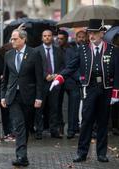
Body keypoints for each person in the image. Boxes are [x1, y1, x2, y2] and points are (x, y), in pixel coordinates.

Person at [51, 19, 119, 163]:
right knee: (86, 121)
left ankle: (101, 153)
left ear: (102, 33)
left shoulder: (113, 49)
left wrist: (116, 92)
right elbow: (71, 66)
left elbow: (118, 72)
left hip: (106, 89)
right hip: (89, 88)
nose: (91, 36)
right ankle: (82, 153)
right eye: (90, 33)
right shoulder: (82, 49)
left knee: (103, 122)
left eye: (94, 33)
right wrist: (60, 77)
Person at [1, 29, 43, 167]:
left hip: (29, 96)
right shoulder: (8, 55)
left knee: (26, 125)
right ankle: (21, 156)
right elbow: (5, 78)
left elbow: (39, 78)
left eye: (15, 39)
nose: (12, 41)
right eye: (12, 39)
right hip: (13, 96)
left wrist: (39, 97)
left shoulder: (34, 53)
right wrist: (3, 96)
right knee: (18, 126)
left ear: (23, 39)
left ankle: (22, 155)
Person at [34, 30, 64, 139]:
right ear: (42, 38)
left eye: (49, 36)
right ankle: (39, 131)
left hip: (55, 83)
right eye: (45, 36)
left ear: (52, 37)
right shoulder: (36, 51)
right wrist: (45, 75)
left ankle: (54, 130)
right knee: (39, 108)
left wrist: (57, 75)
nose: (47, 38)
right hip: (41, 83)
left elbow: (62, 66)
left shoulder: (58, 51)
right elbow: (35, 67)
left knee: (54, 108)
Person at [65, 30, 87, 139]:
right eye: (79, 37)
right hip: (73, 82)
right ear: (76, 38)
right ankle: (71, 130)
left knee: (87, 106)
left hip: (87, 82)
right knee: (73, 106)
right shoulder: (70, 50)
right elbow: (69, 66)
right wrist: (79, 77)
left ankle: (86, 129)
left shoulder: (88, 49)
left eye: (83, 37)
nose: (81, 39)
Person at [0, 43, 15, 143]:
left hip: (5, 88)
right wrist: (0, 77)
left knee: (6, 111)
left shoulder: (9, 57)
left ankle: (8, 133)